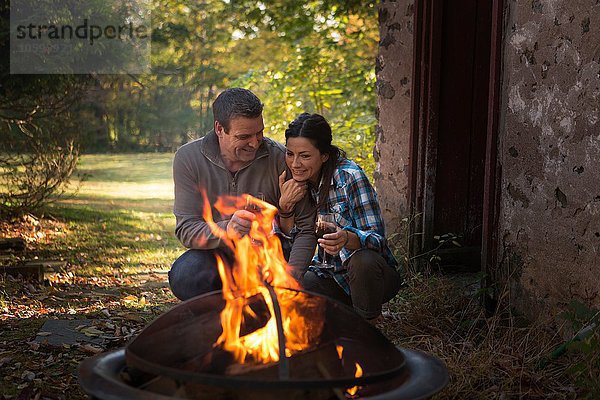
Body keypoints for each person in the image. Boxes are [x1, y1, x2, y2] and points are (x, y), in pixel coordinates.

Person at [168, 88, 316, 300]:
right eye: (244, 136)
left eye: (259, 133)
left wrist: (293, 277)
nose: (255, 143)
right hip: (217, 255)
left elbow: (306, 228)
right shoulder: (188, 158)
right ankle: (222, 318)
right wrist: (227, 229)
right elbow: (187, 229)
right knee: (186, 275)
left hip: (269, 257)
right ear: (220, 129)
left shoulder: (280, 158)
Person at [278, 112, 402, 323]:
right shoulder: (292, 181)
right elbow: (289, 244)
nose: (295, 163)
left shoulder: (349, 177)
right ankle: (346, 315)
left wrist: (347, 238)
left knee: (363, 261)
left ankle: (369, 321)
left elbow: (377, 241)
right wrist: (285, 207)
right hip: (330, 276)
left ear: (324, 155)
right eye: (290, 154)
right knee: (295, 288)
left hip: (371, 278)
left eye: (305, 155)